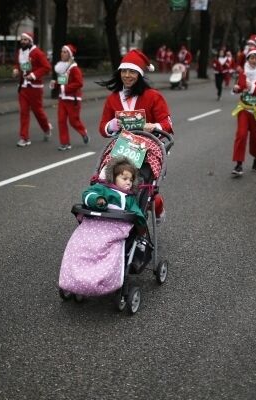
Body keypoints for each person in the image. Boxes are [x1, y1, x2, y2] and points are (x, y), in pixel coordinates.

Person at [97, 49, 173, 222]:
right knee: (106, 177)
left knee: (142, 185)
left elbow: (168, 123)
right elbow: (102, 128)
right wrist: (113, 125)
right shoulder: (113, 98)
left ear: (139, 74)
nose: (127, 75)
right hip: (121, 146)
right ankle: (108, 207)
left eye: (132, 71)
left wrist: (153, 126)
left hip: (148, 147)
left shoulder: (153, 96)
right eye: (124, 71)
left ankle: (156, 204)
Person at [58, 157, 146, 297]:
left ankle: (100, 279)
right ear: (113, 177)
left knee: (107, 250)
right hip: (93, 225)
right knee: (78, 245)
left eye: (131, 180)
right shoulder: (103, 189)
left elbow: (137, 213)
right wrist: (98, 200)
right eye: (124, 178)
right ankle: (75, 277)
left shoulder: (128, 198)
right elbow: (88, 194)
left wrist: (141, 226)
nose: (128, 182)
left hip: (114, 229)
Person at [230, 46, 256, 175]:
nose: (253, 61)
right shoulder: (244, 72)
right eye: (251, 58)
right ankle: (238, 164)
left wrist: (252, 87)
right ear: (248, 59)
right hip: (244, 108)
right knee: (241, 135)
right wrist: (236, 89)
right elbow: (240, 88)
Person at [12, 32, 53, 147]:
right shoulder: (20, 52)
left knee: (38, 112)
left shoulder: (37, 52)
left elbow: (47, 67)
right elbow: (18, 65)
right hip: (23, 87)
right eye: (22, 39)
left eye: (25, 40)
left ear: (30, 41)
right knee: (24, 112)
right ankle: (24, 138)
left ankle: (46, 128)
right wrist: (16, 70)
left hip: (35, 88)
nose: (23, 41)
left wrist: (34, 75)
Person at [50, 44, 88, 151]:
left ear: (70, 55)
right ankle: (65, 143)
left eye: (65, 52)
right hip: (63, 99)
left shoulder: (74, 69)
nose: (62, 53)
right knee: (61, 121)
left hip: (73, 99)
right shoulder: (63, 67)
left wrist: (65, 89)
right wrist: (56, 83)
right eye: (62, 51)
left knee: (73, 121)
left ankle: (83, 132)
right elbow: (63, 81)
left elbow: (79, 83)